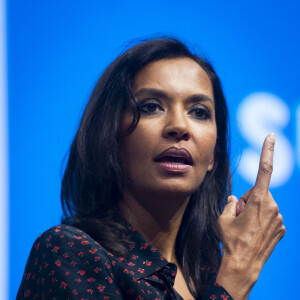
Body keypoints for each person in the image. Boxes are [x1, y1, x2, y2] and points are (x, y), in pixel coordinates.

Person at [17, 38, 285, 299]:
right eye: (151, 107)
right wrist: (237, 275)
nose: (179, 126)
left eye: (199, 112)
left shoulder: (208, 278)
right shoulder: (69, 252)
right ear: (110, 137)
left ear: (213, 154)